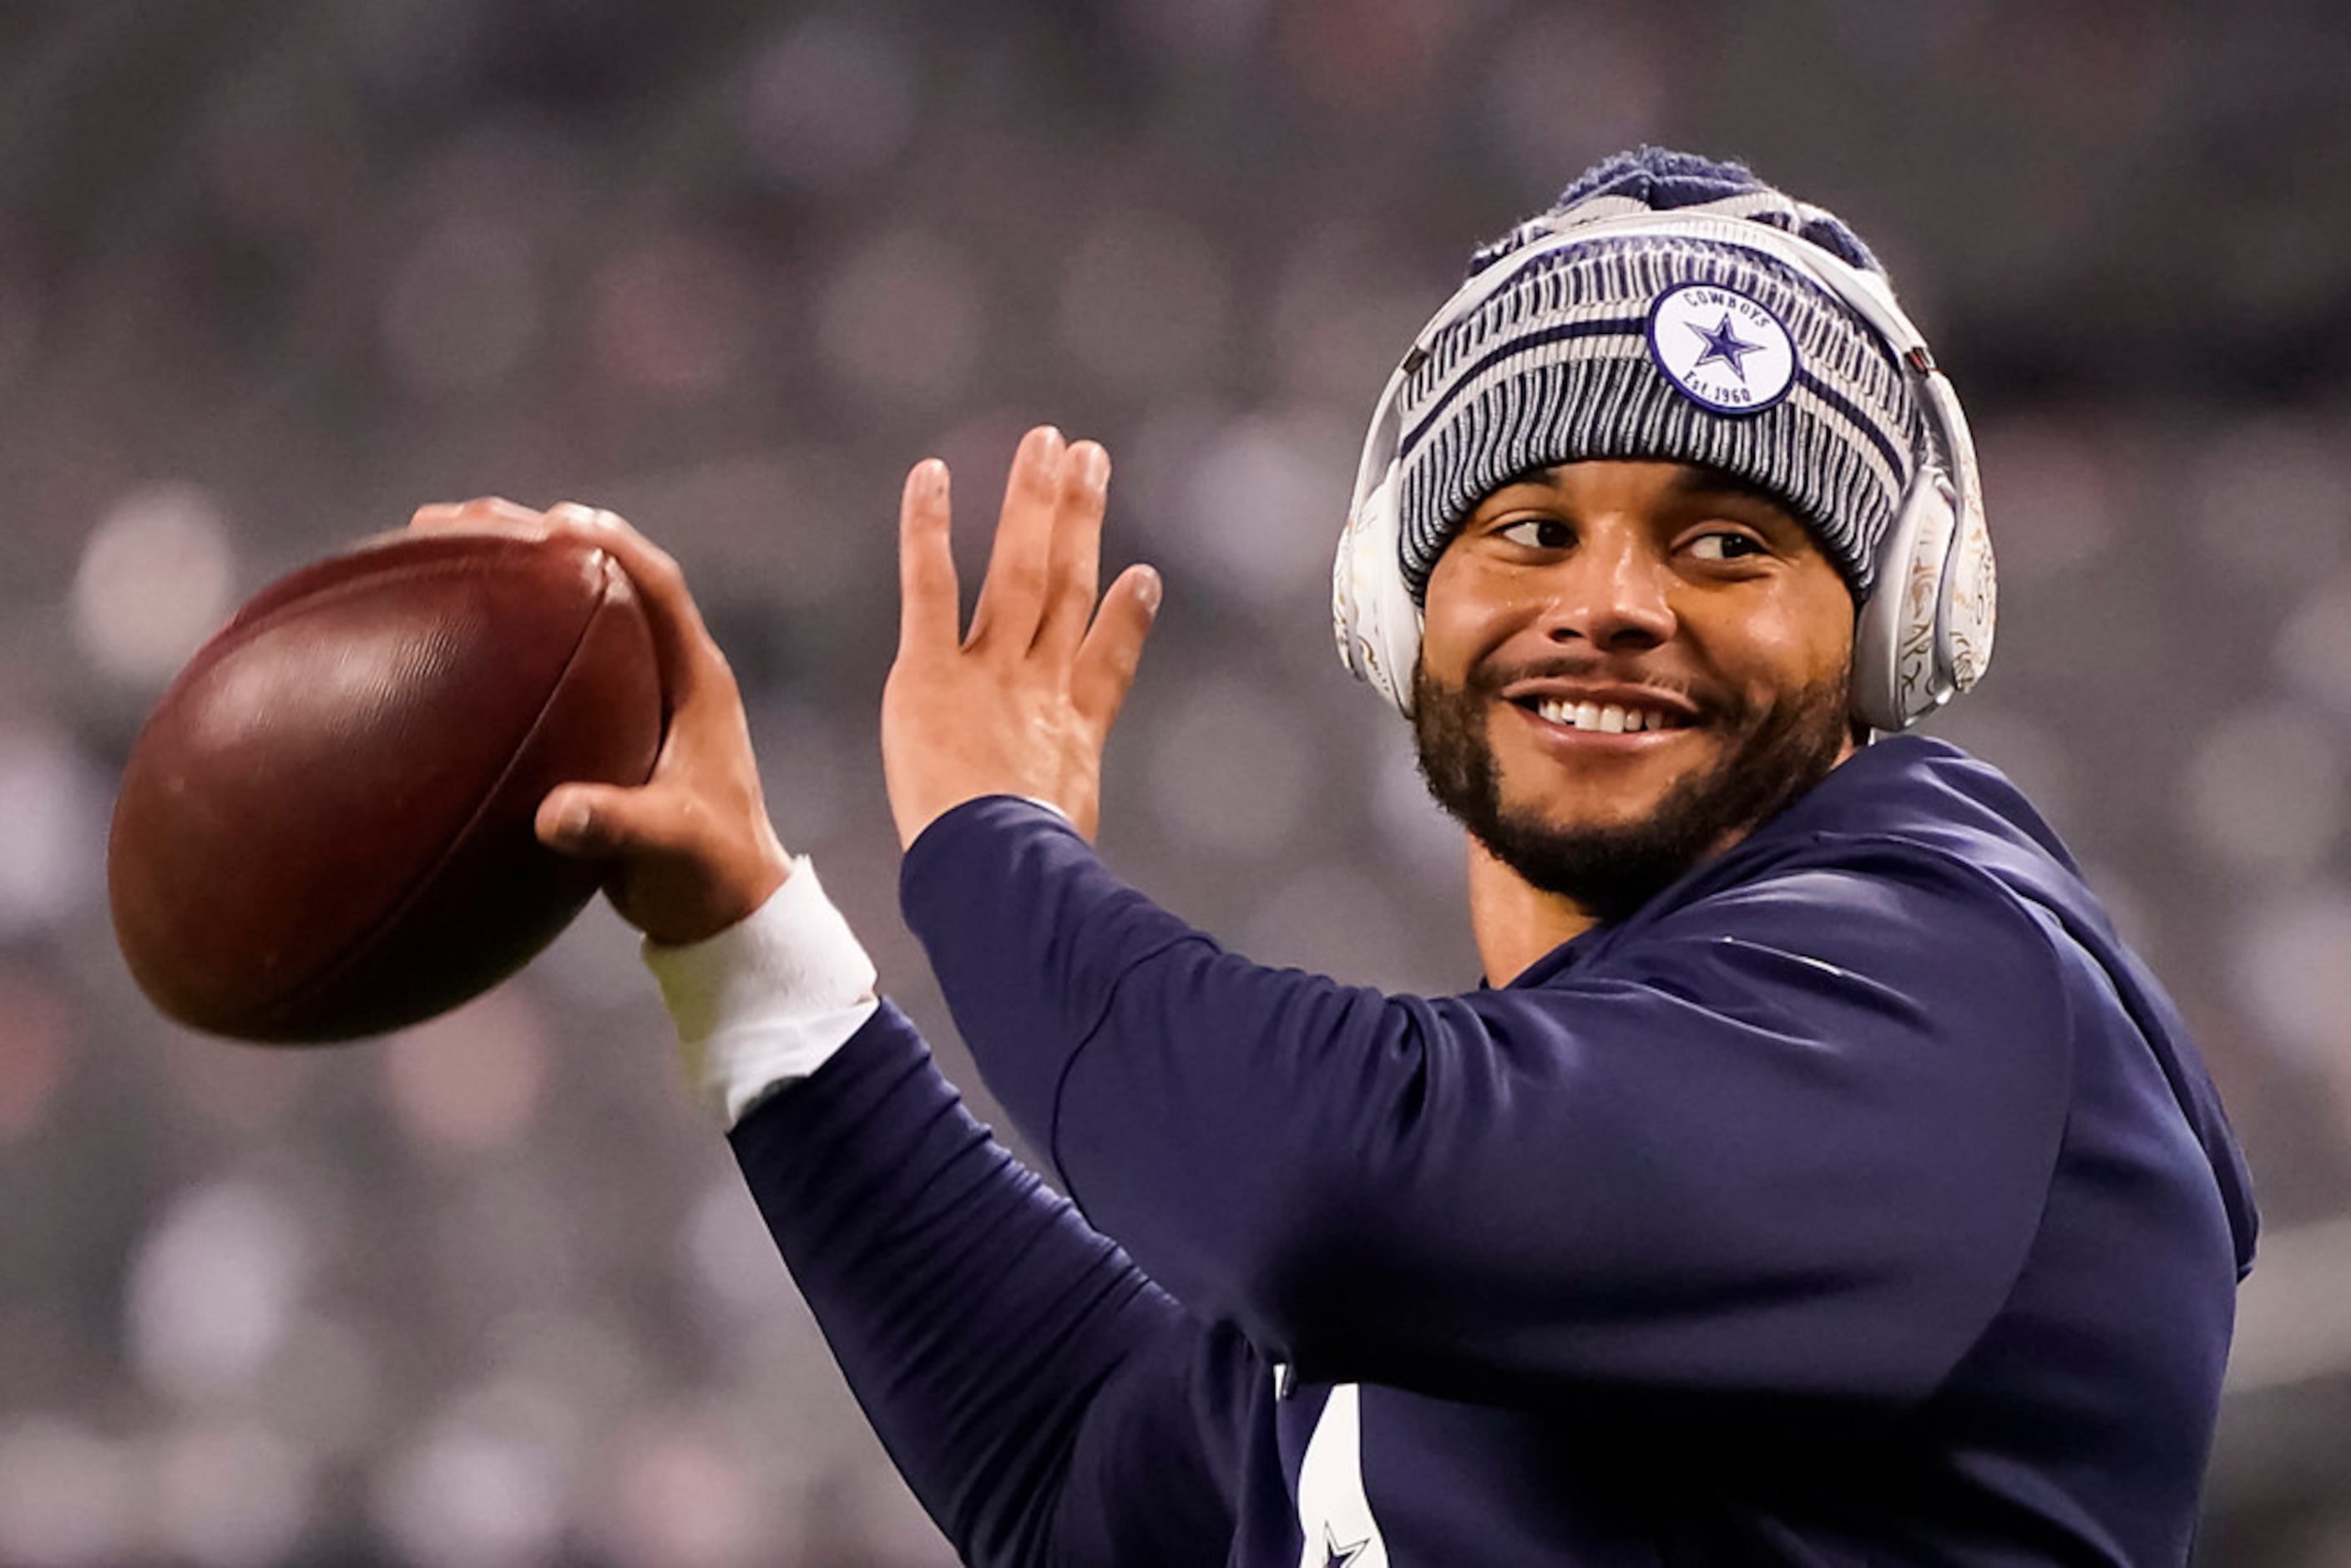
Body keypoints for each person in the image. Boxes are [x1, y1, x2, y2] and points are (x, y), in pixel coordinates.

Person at [415, 149, 2257, 1565]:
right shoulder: (1556, 1207)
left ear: (1881, 630)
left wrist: (985, 833)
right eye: (1529, 525)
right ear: (1399, 602)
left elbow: (1329, 1192)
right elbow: (1085, 1476)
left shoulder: (1963, 984)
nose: (1610, 605)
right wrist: (746, 944)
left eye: (1725, 545)